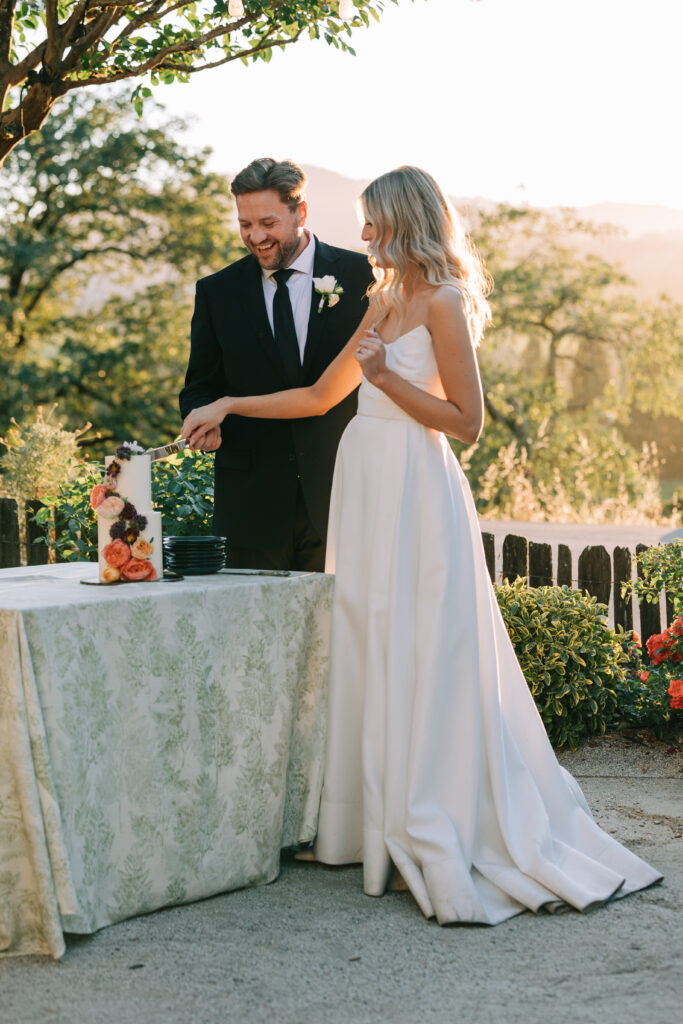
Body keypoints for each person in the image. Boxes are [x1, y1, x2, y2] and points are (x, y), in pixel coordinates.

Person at [181, 166, 662, 925]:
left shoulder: (441, 302)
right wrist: (229, 402)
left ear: (405, 222)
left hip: (415, 487)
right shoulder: (380, 298)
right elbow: (317, 397)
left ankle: (434, 816)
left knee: (423, 647)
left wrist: (389, 381)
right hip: (364, 488)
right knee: (370, 644)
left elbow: (465, 422)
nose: (363, 235)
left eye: (373, 222)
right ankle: (365, 824)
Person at [179, 157, 374, 571]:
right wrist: (203, 420)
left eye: (268, 223)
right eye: (244, 224)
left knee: (340, 632)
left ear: (300, 211)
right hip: (251, 504)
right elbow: (199, 385)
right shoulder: (217, 292)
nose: (255, 237)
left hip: (343, 492)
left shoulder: (363, 277)